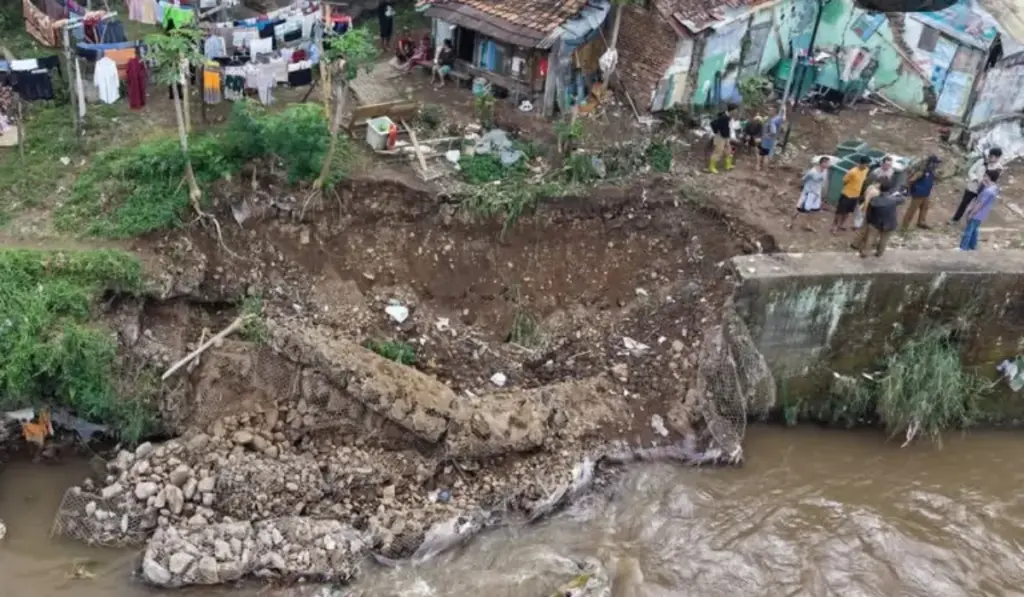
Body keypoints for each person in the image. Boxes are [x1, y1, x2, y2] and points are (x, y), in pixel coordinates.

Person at [952, 147, 1003, 224]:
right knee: (964, 203)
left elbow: (994, 181)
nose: (990, 158)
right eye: (990, 156)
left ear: (997, 158)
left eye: (992, 157)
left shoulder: (999, 168)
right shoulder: (981, 161)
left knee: (975, 207)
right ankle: (955, 220)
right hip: (973, 187)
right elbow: (971, 171)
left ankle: (969, 223)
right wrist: (975, 179)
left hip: (983, 191)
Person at [960, 169, 1000, 251]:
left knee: (968, 230)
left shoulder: (988, 191)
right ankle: (973, 246)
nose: (983, 177)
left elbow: (980, 204)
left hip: (977, 213)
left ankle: (963, 248)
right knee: (974, 230)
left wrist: (971, 213)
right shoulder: (994, 188)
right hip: (983, 214)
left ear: (989, 177)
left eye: (985, 176)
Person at [901, 155, 941, 231]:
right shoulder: (923, 171)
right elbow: (911, 180)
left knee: (925, 208)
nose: (937, 165)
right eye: (936, 163)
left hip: (926, 194)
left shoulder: (932, 172)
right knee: (912, 210)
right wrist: (911, 189)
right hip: (918, 195)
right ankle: (904, 227)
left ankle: (921, 222)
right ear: (931, 163)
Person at [831, 155, 870, 233]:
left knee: (848, 212)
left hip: (855, 195)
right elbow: (845, 181)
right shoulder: (852, 172)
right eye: (866, 164)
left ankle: (841, 225)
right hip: (847, 194)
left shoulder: (866, 170)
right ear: (861, 163)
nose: (867, 166)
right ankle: (834, 227)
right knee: (840, 212)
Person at [790, 156, 830, 229]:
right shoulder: (812, 172)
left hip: (817, 194)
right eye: (827, 163)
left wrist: (824, 195)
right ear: (822, 163)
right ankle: (791, 223)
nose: (828, 164)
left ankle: (807, 225)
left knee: (813, 210)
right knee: (799, 209)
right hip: (808, 193)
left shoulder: (825, 171)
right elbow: (804, 179)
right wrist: (797, 187)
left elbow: (824, 183)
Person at [708, 104, 736, 173]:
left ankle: (728, 165)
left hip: (726, 136)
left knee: (728, 150)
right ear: (732, 110)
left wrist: (729, 137)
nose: (736, 112)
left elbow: (729, 128)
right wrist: (717, 132)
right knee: (718, 151)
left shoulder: (728, 117)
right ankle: (711, 167)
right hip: (720, 137)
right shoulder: (724, 117)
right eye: (736, 110)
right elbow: (714, 124)